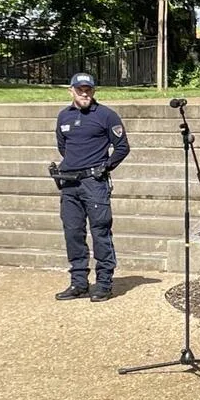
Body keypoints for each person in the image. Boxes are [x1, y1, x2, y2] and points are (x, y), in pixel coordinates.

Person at [53, 73, 130, 302]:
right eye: (80, 90)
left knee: (100, 232)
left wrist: (105, 167)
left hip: (94, 183)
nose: (84, 94)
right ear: (71, 91)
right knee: (73, 232)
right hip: (69, 183)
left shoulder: (106, 115)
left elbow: (122, 147)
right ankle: (78, 282)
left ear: (93, 91)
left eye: (88, 90)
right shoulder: (64, 116)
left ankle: (104, 283)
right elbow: (63, 147)